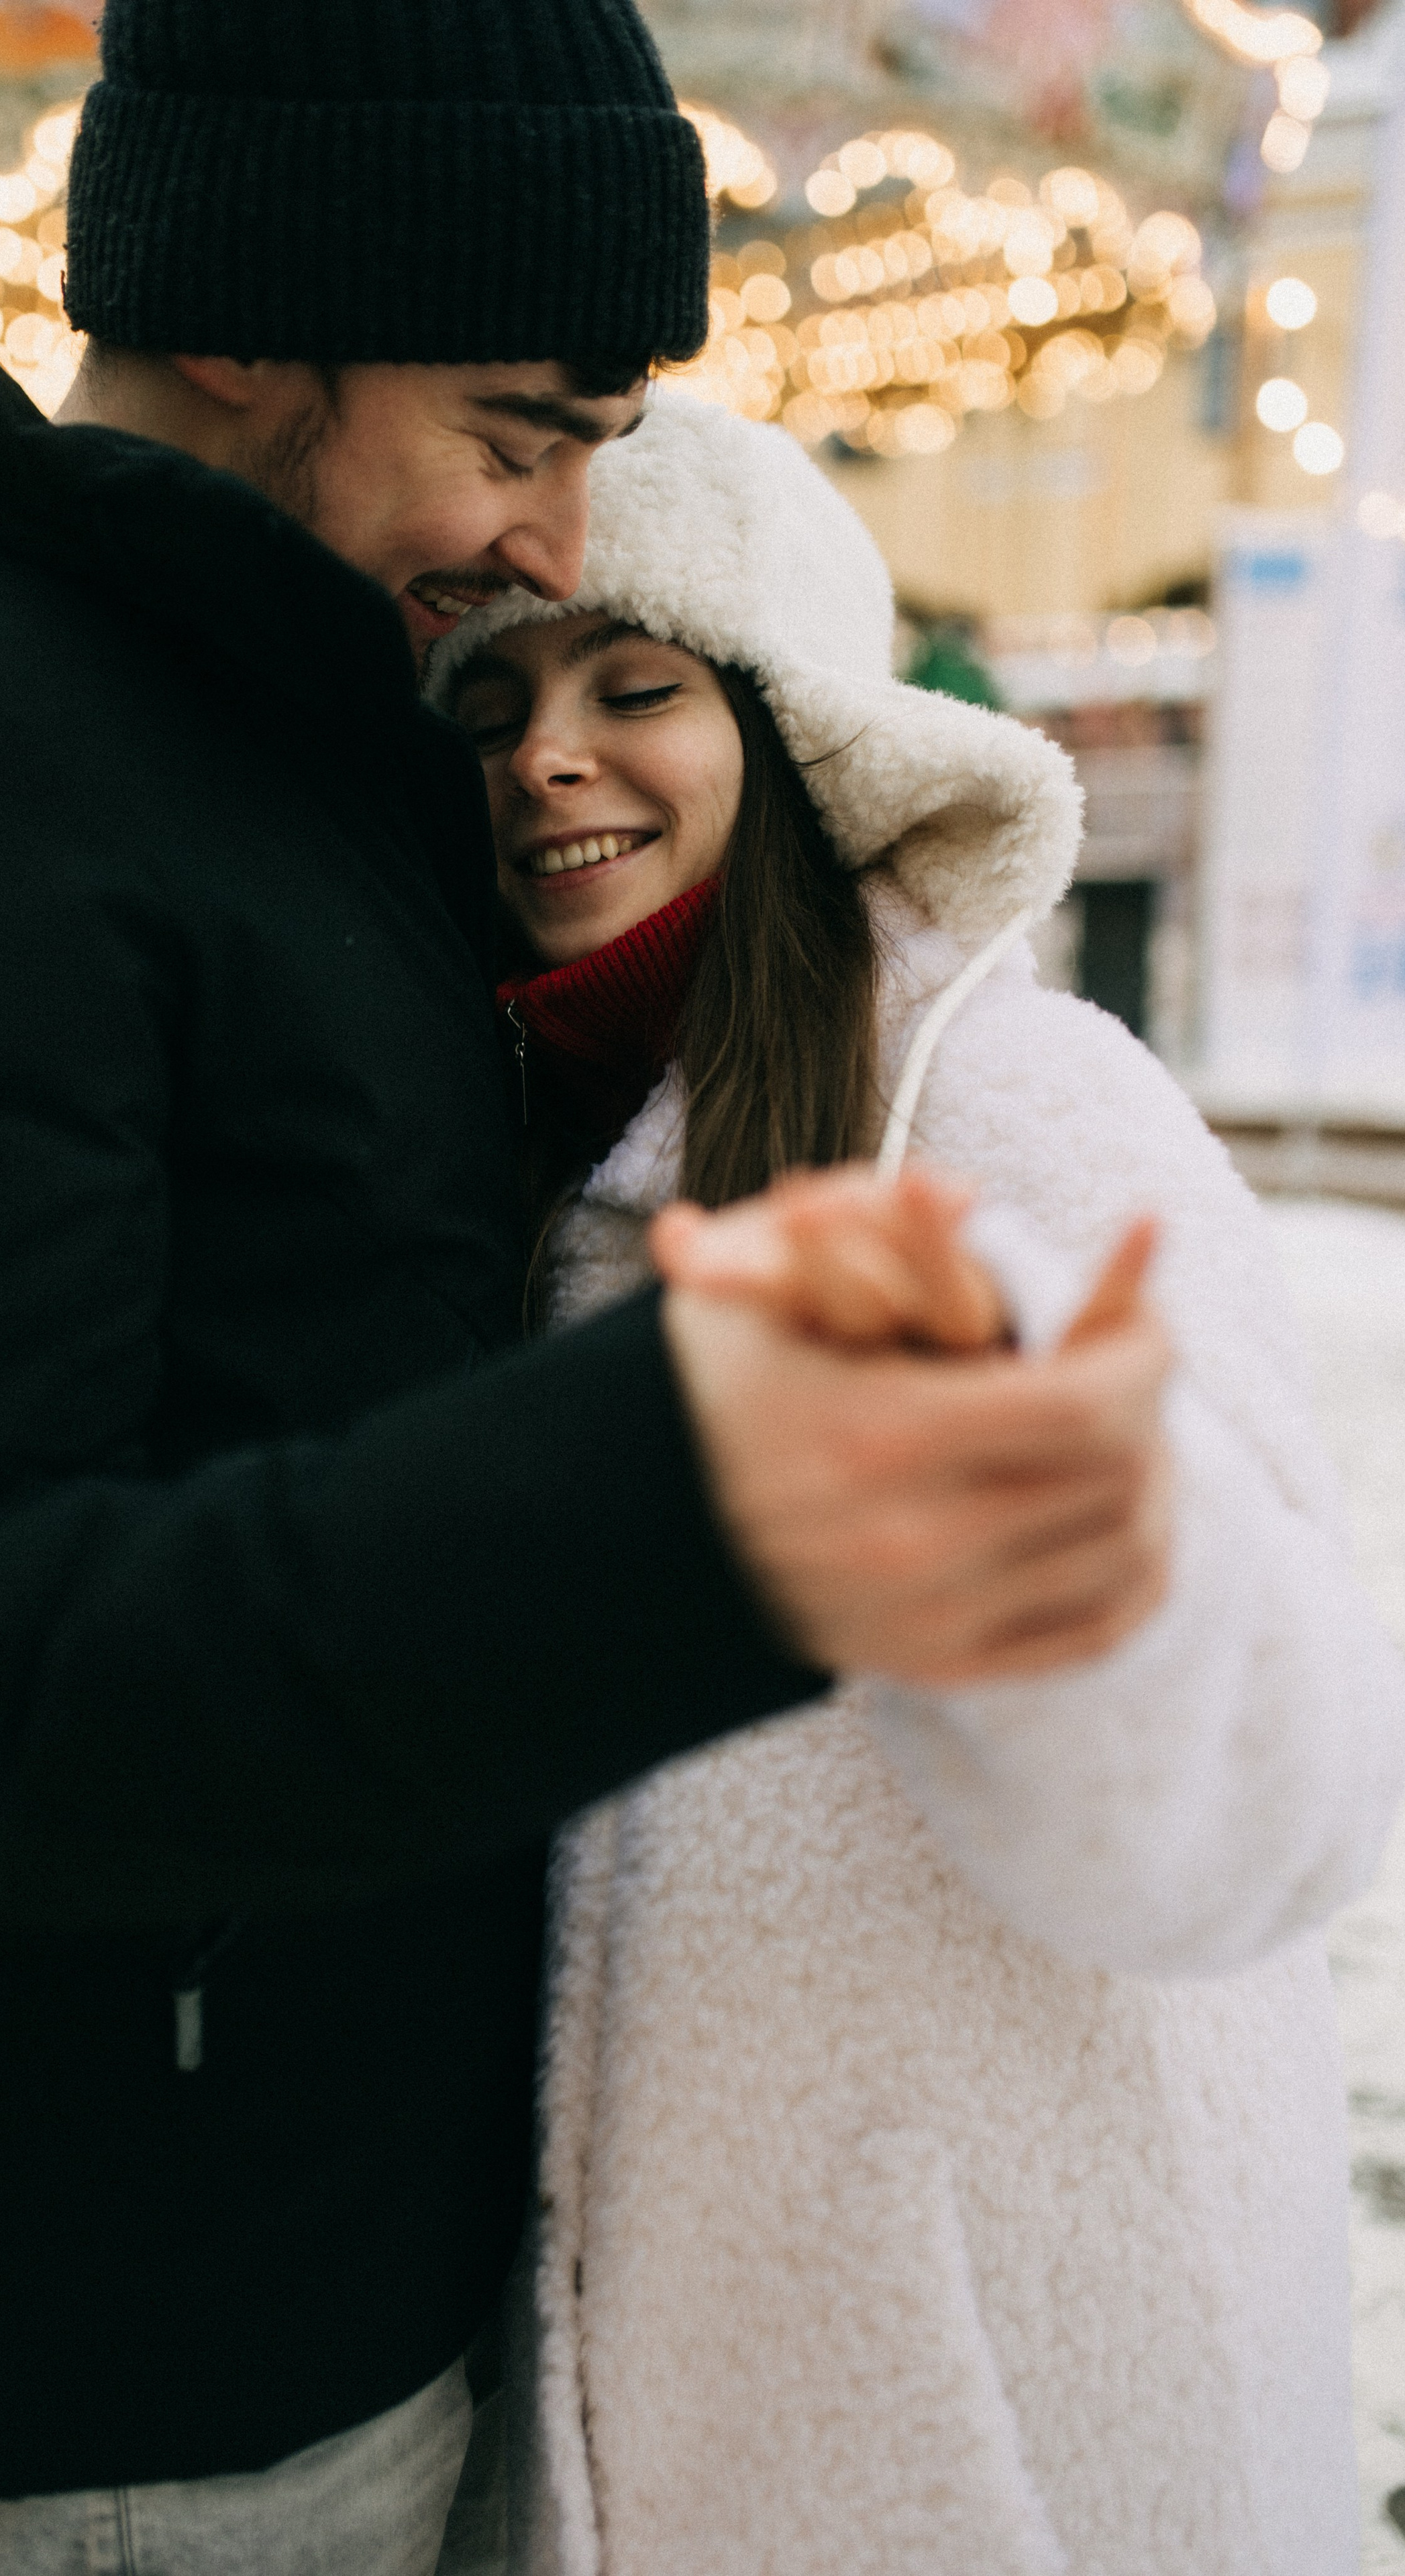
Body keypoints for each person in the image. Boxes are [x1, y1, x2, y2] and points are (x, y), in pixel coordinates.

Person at [0, 8, 1172, 2571]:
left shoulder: (225, 718)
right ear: (253, 329)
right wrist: (691, 1483)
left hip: (287, 2245)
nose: (563, 540)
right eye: (518, 431)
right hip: (135, 2357)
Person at [433, 392, 1405, 2576]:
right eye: (491, 705)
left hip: (1006, 2451)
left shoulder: (1017, 1108)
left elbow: (1302, 1780)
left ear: (787, 742)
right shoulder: (514, 1191)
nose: (546, 755)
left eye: (636, 685)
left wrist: (1099, 1578)